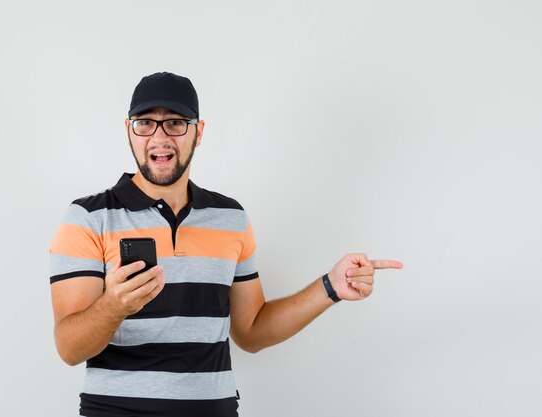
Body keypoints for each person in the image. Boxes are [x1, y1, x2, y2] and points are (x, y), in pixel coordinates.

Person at [49, 71, 403, 417]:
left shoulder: (230, 217)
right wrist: (113, 306)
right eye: (145, 122)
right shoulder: (89, 217)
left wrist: (330, 287)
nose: (159, 137)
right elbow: (69, 347)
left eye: (175, 122)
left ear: (198, 132)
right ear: (129, 130)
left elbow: (251, 332)